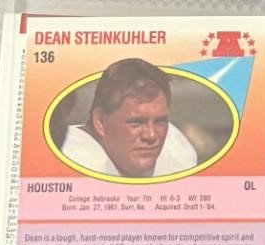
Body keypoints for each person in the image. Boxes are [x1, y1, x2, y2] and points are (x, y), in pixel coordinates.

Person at [60, 58, 202, 178]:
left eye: (160, 121)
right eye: (137, 123)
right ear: (100, 122)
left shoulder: (176, 152)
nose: (151, 135)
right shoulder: (71, 157)